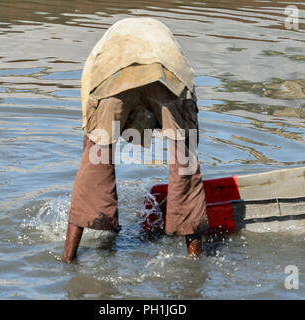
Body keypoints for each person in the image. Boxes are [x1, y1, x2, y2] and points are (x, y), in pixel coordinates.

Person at [62, 17, 209, 263]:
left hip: (112, 75)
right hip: (169, 72)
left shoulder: (102, 49)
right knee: (185, 162)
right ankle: (195, 257)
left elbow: (90, 121)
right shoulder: (164, 36)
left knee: (94, 162)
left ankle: (68, 257)